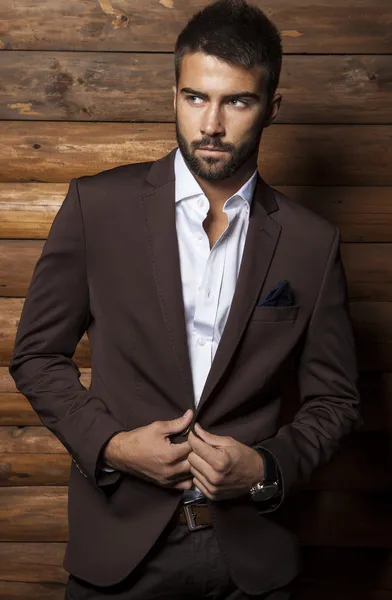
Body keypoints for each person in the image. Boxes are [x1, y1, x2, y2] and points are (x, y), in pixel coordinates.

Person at [9, 0, 361, 598]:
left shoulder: (311, 242)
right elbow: (37, 357)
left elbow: (336, 400)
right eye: (195, 98)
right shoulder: (99, 208)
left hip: (251, 562)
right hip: (118, 551)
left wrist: (267, 467)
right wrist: (114, 447)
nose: (211, 125)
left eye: (237, 101)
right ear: (174, 94)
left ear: (271, 108)